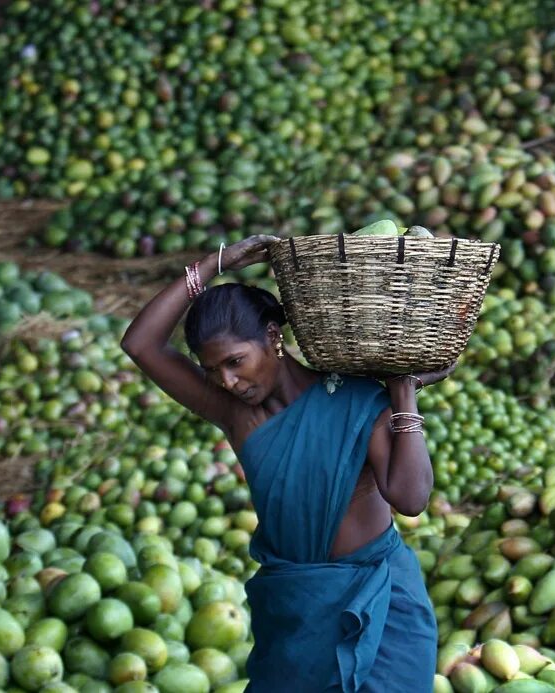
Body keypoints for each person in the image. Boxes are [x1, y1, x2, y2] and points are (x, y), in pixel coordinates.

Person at [120, 235, 453, 692]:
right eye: (213, 369)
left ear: (273, 337)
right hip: (297, 613)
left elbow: (411, 499)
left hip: (379, 607)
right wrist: (216, 263)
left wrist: (402, 392)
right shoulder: (237, 414)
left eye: (236, 361)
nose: (227, 381)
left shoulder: (356, 400)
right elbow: (141, 344)